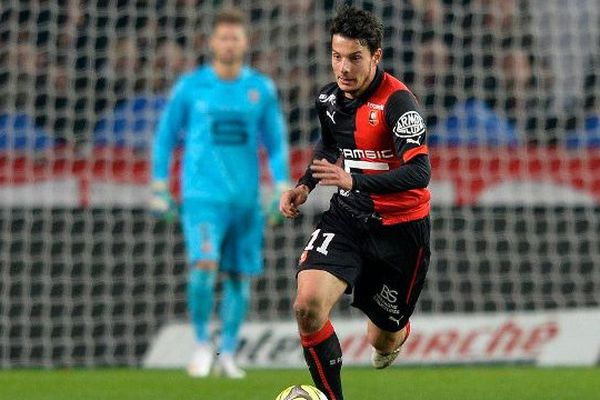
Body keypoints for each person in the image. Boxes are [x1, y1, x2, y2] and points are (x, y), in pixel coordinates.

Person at [279, 6, 431, 400]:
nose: (343, 67)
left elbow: (420, 174)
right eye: (336, 56)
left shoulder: (399, 104)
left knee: (382, 337)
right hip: (347, 217)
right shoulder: (328, 99)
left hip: (401, 231)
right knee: (307, 306)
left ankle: (394, 332)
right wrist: (304, 186)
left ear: (376, 55)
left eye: (354, 58)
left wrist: (354, 179)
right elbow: (330, 146)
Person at [150, 7, 289, 379]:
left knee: (238, 278)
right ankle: (200, 345)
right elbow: (165, 138)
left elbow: (275, 144)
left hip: (245, 200)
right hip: (201, 197)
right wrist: (159, 185)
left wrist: (281, 185)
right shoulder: (190, 87)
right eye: (223, 37)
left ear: (246, 42)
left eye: (235, 37)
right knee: (203, 268)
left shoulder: (261, 89)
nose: (229, 43)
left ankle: (227, 353)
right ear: (211, 42)